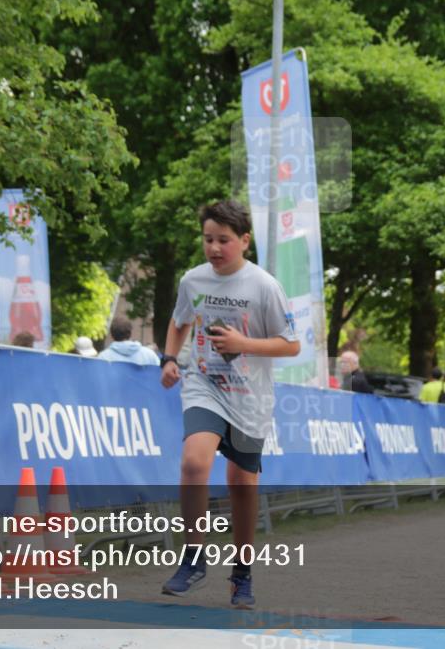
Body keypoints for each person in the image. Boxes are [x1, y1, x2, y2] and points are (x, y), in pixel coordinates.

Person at [159, 200, 299, 608]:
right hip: (205, 384)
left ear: (244, 241)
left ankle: (242, 572)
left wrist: (243, 344)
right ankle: (193, 558)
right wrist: (170, 358)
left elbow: (291, 344)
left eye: (224, 240)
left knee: (241, 483)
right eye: (208, 239)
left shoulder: (264, 285)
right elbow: (180, 319)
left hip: (250, 396)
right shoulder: (193, 280)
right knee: (194, 462)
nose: (215, 248)